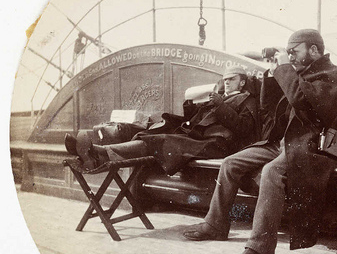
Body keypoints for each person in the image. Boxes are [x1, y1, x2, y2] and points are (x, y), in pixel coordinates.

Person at [183, 29, 337, 254]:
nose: (291, 57)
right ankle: (215, 225)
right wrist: (271, 73)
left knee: (271, 172)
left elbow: (308, 106)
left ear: (314, 50)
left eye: (295, 51)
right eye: (289, 53)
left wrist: (285, 69)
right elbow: (271, 110)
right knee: (230, 163)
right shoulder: (300, 74)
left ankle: (259, 250)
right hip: (284, 143)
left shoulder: (336, 76)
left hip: (312, 147)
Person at [65, 65, 259, 174]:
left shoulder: (247, 100)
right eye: (225, 79)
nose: (226, 82)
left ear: (242, 82)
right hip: (199, 139)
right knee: (150, 133)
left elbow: (244, 129)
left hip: (217, 144)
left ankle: (98, 155)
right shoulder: (221, 98)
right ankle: (97, 154)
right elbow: (196, 120)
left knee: (161, 141)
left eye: (231, 79)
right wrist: (191, 105)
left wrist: (220, 105)